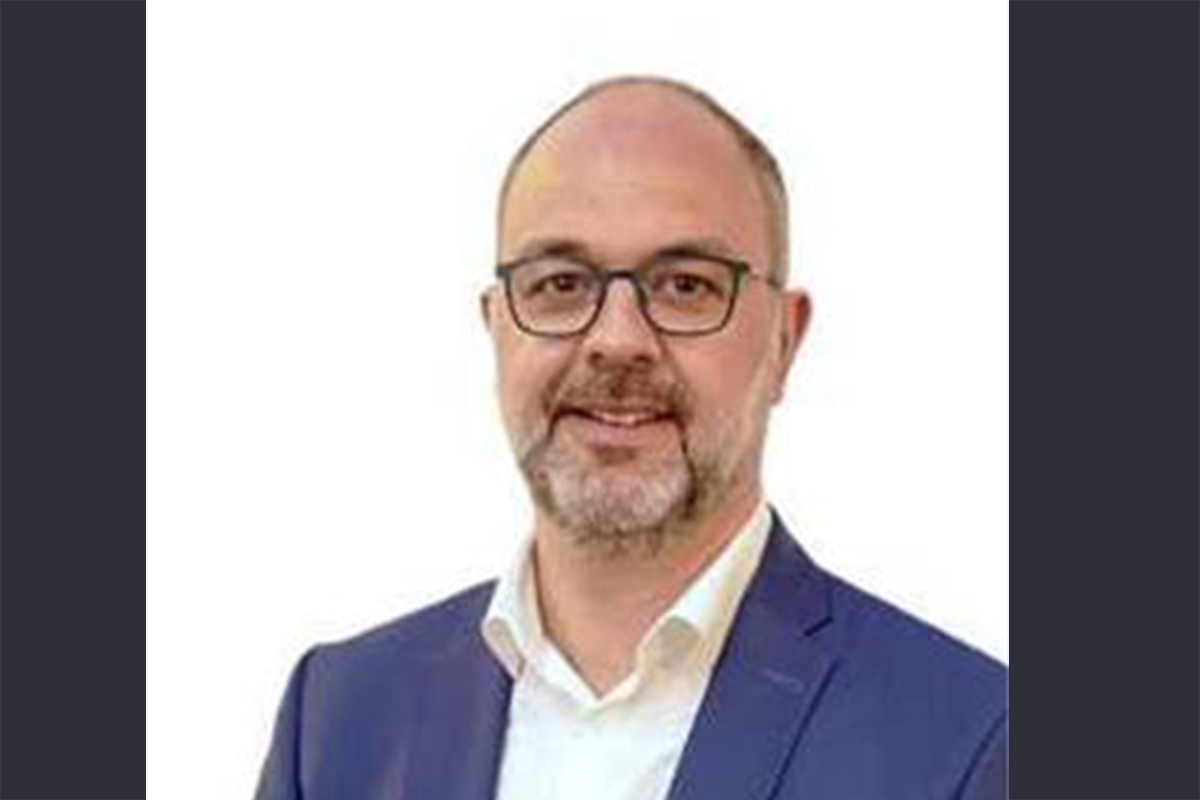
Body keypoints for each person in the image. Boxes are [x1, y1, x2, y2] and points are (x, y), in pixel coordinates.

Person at [253, 75, 1008, 800]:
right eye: (560, 283)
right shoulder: (339, 720)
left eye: (686, 285)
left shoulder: (970, 743)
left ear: (784, 340)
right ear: (496, 329)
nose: (617, 340)